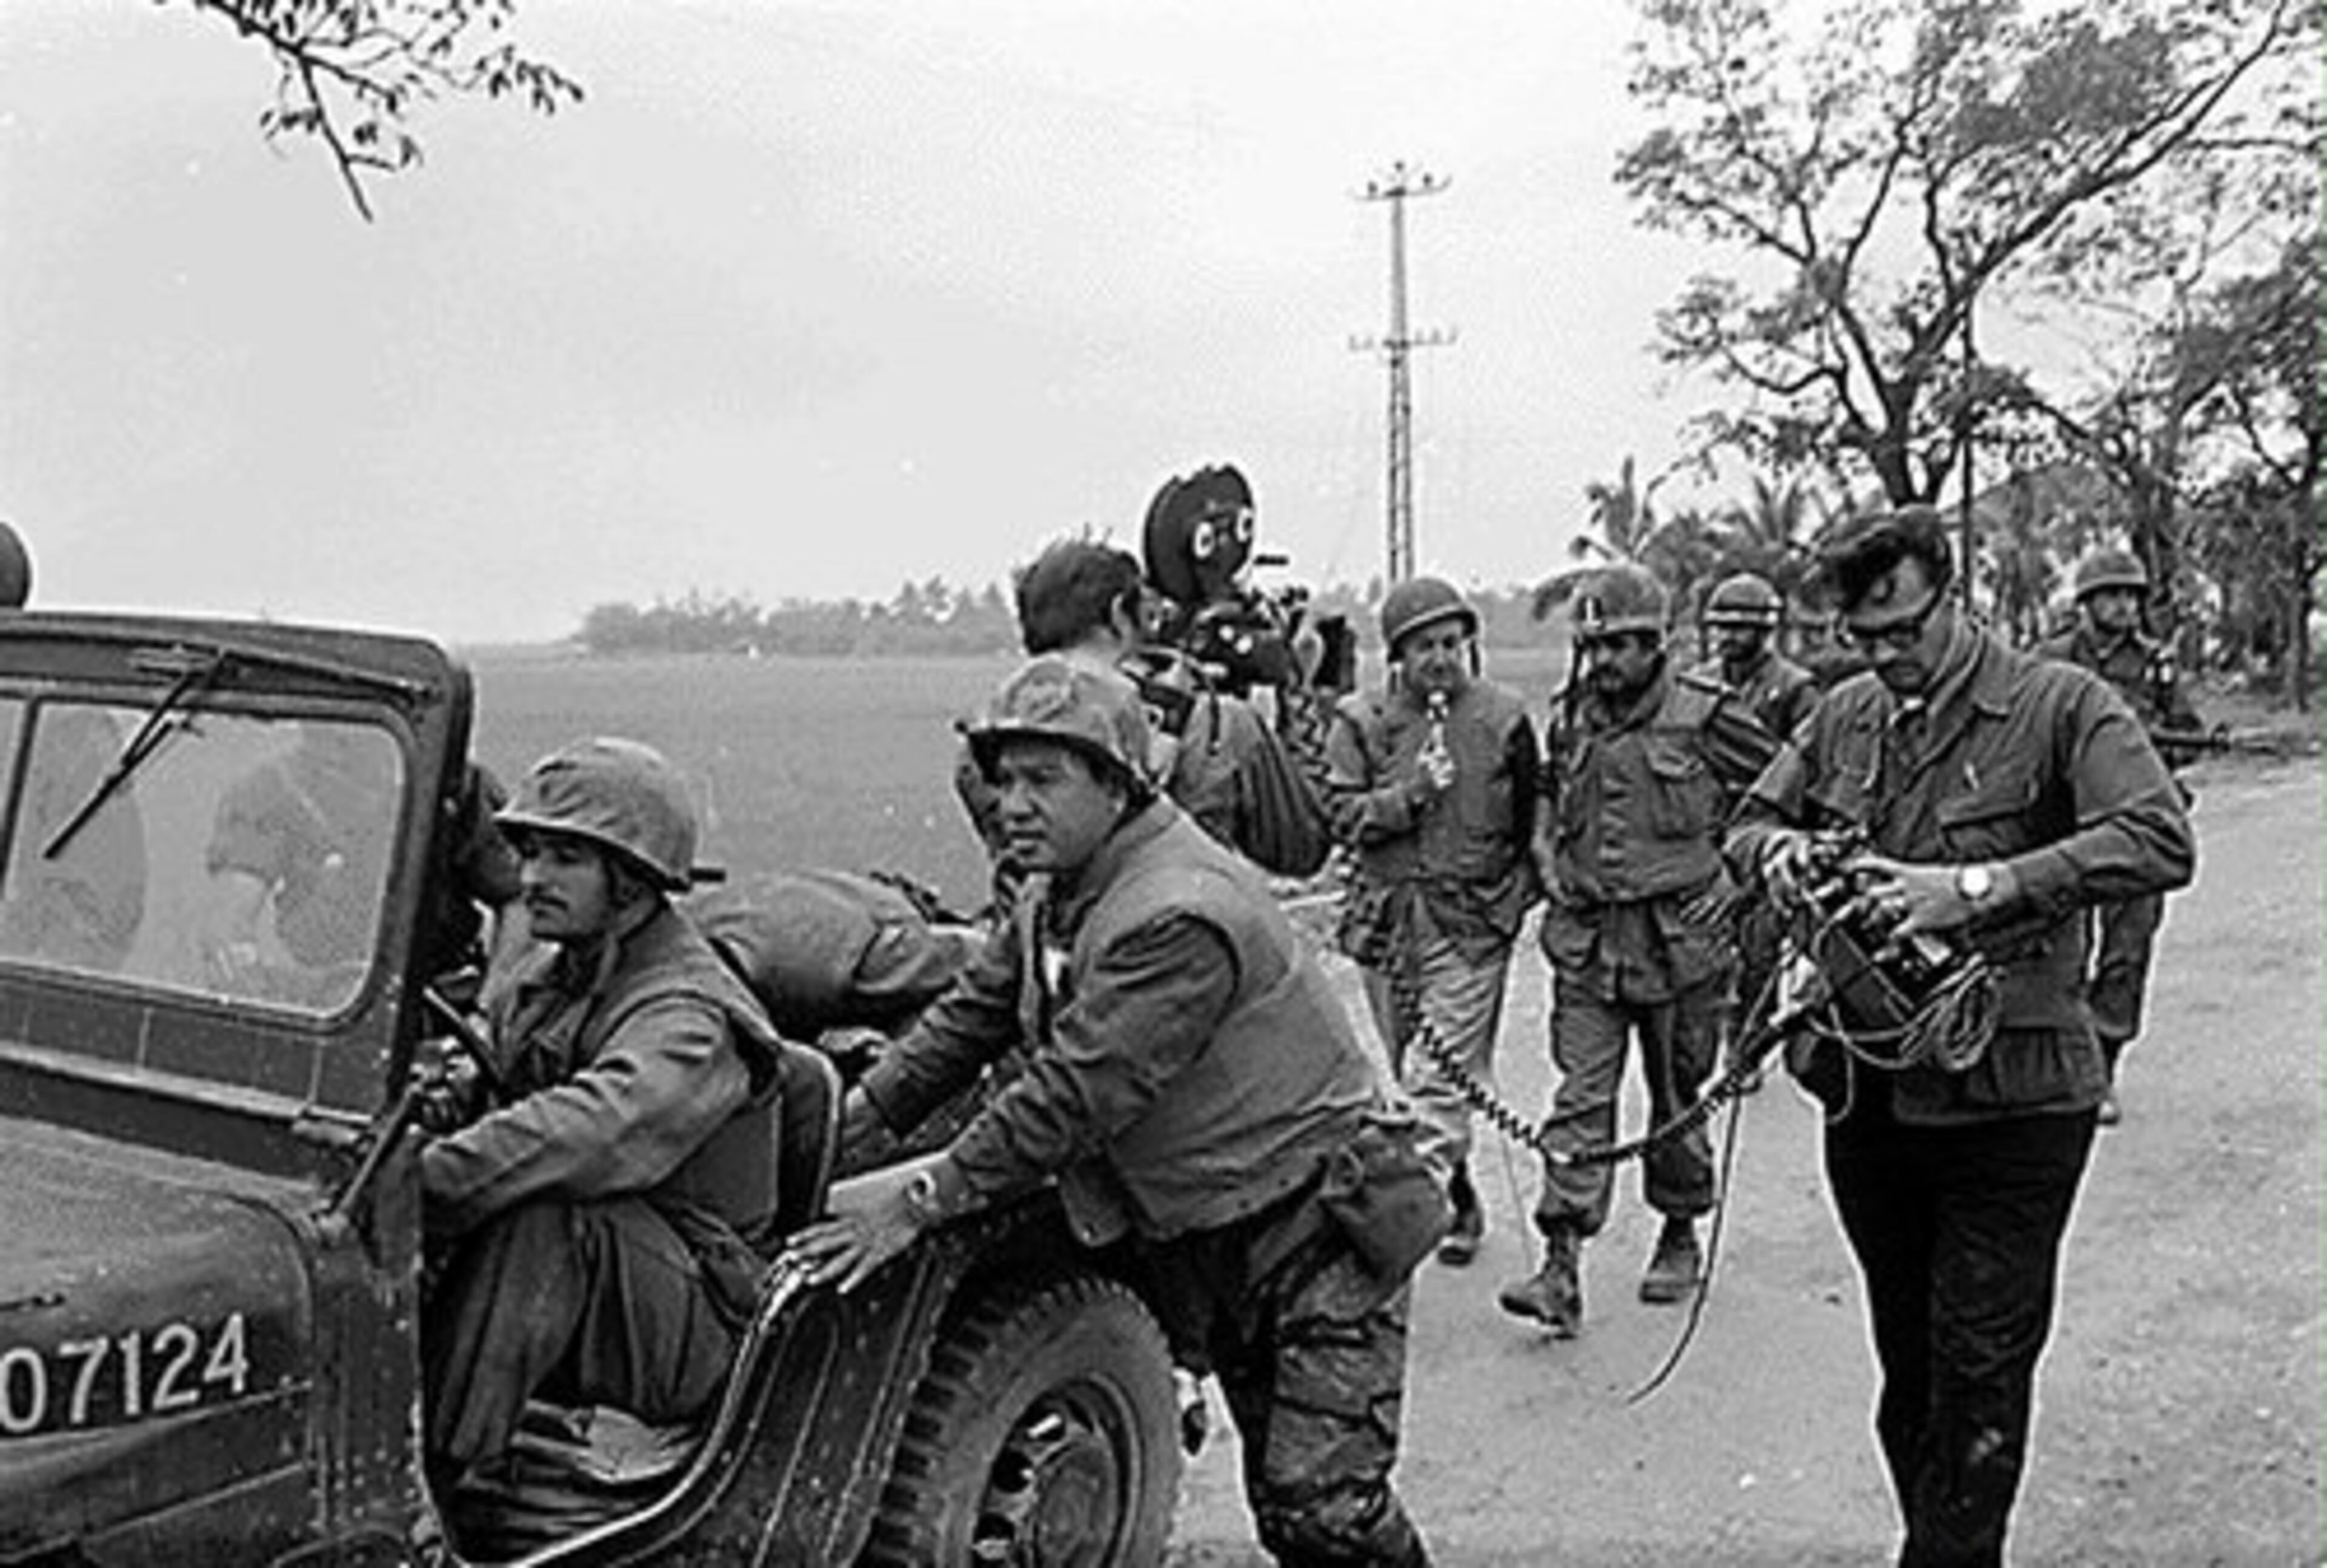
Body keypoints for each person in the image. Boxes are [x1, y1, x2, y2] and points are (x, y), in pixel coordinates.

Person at [797, 656, 1437, 1566]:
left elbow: (1074, 1095)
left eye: (1043, 780)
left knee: (1322, 1508)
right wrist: (850, 1127)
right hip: (1213, 1224)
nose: (1012, 804)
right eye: (1004, 778)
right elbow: (973, 1017)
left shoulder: (1174, 913)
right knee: (1288, 1497)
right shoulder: (1053, 886)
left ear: (1117, 785)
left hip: (1315, 1230)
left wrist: (917, 1200)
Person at [1728, 507, 2194, 1567]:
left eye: (1906, 628)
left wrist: (1973, 887)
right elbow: (1748, 821)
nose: (1888, 655)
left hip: (2016, 1101)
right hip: (1870, 1090)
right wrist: (1782, 854)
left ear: (1956, 592)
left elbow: (2160, 836)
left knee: (1978, 1368)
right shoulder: (1845, 715)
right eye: (1865, 636)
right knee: (1911, 1373)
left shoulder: (2062, 702)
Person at [419, 737, 781, 1502]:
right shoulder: (554, 973)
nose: (531, 879)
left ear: (631, 879)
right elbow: (494, 1083)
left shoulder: (688, 1011)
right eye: (530, 852)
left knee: (544, 1211)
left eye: (566, 860)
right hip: (615, 1287)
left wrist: (425, 1183)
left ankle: (436, 1483)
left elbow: (593, 1130)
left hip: (700, 1316)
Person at [1499, 563, 1776, 1337]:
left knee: (1677, 1096)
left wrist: (1736, 874)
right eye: (1595, 646)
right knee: (1581, 1099)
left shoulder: (1705, 714)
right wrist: (1546, 849)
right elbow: (1551, 785)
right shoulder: (1574, 712)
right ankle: (1561, 1262)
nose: (1607, 662)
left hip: (1682, 944)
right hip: (1591, 943)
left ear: (1658, 643)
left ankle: (1680, 1227)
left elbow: (1788, 790)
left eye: (1623, 645)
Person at [1325, 574, 1540, 1267]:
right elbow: (1339, 816)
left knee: (1437, 1078)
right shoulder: (1360, 721)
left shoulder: (1505, 716)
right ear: (1398, 654)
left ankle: (1386, 1232)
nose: (1441, 658)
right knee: (1413, 1071)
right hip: (1389, 928)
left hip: (1472, 925)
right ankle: (1458, 1194)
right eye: (1424, 647)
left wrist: (1515, 902)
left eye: (1451, 643)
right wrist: (1409, 795)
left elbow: (1536, 821)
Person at [956, 535, 1331, 886]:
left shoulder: (987, 745)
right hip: (1184, 936)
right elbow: (1305, 847)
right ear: (1121, 613)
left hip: (1046, 949)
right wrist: (1298, 689)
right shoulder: (1218, 724)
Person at [2034, 546, 2206, 1126]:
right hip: (2066, 824)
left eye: (2132, 596)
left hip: (2132, 825)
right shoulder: (2049, 661)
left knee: (2126, 953)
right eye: (2112, 595)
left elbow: (2187, 735)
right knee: (2058, 950)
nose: (2125, 606)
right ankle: (2061, 1067)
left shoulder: (2156, 666)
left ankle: (2103, 1065)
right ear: (2085, 603)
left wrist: (2154, 750)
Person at [1689, 570, 1821, 1092]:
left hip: (1768, 829)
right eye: (1721, 626)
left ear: (1765, 630)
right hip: (1710, 830)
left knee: (1761, 947)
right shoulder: (1698, 683)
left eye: (1740, 627)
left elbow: (1807, 765)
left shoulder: (1794, 688)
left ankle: (1747, 1049)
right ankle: (1720, 1043)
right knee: (1709, 946)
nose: (1728, 637)